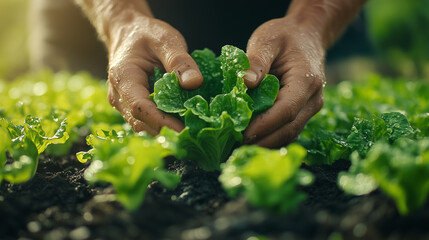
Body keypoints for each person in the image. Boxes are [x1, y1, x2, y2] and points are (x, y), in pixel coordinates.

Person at [29, 0, 367, 148]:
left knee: (304, 97)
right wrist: (121, 19)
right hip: (100, 27)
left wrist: (314, 19)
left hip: (295, 22)